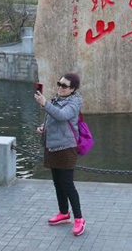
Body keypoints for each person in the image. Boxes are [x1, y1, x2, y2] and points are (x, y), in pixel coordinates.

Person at [35, 72, 86, 236]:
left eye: (64, 86)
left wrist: (44, 104)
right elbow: (53, 119)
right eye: (59, 83)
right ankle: (64, 213)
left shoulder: (74, 103)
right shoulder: (58, 99)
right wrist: (44, 128)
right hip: (53, 146)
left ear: (72, 89)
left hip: (66, 148)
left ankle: (79, 219)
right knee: (57, 183)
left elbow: (62, 116)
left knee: (68, 185)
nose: (60, 87)